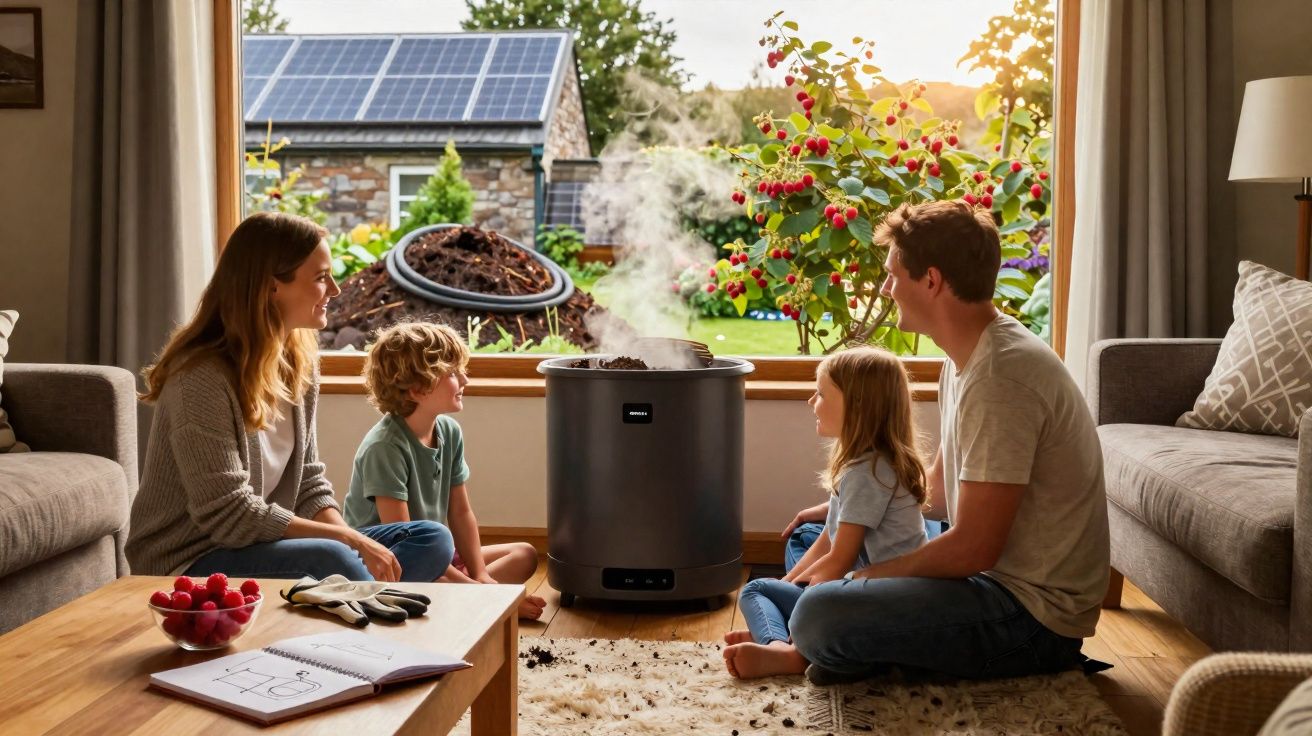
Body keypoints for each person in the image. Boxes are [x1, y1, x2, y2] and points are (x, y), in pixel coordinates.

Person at [787, 200, 1111, 684]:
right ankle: (848, 647)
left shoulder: (1002, 376)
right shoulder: (964, 359)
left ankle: (818, 642)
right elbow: (935, 495)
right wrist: (845, 507)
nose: (886, 288)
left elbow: (973, 549)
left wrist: (861, 578)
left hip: (1028, 616)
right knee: (811, 540)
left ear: (932, 281)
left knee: (820, 613)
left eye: (893, 275)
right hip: (983, 579)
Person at [126, 212, 454, 583]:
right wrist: (348, 541)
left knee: (432, 539)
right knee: (331, 556)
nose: (335, 289)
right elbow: (228, 514)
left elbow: (308, 484)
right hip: (190, 558)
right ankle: (369, 602)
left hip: (260, 544)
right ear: (271, 287)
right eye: (320, 277)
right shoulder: (200, 378)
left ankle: (355, 596)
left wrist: (355, 545)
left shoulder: (299, 362)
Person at [723, 347, 928, 679]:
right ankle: (785, 633)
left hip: (880, 598)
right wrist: (787, 585)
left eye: (820, 393)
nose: (810, 401)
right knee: (792, 559)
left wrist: (797, 599)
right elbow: (827, 542)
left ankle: (786, 650)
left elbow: (840, 558)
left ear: (857, 406)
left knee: (756, 590)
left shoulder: (866, 473)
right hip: (871, 588)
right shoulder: (868, 463)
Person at [342, 321, 547, 620]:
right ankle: (483, 604)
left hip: (438, 555)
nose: (464, 379)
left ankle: (466, 600)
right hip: (396, 564)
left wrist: (480, 574)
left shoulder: (449, 432)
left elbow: (461, 513)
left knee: (525, 554)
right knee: (435, 577)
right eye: (452, 373)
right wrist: (485, 593)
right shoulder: (384, 447)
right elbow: (407, 544)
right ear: (416, 388)